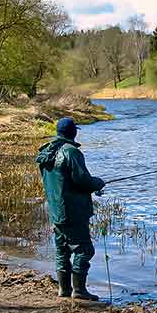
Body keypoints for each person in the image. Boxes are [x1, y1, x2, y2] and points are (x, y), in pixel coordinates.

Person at [36, 117, 106, 300]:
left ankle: (64, 290)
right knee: (84, 250)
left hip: (56, 210)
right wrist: (98, 183)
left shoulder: (47, 152)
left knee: (62, 250)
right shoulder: (71, 152)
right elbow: (82, 180)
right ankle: (79, 291)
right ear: (73, 132)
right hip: (73, 210)